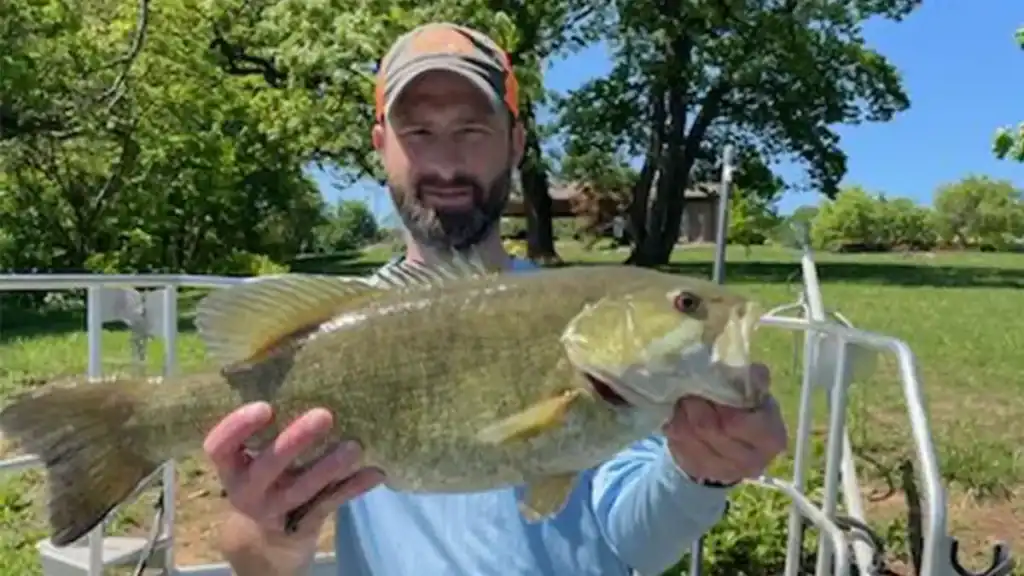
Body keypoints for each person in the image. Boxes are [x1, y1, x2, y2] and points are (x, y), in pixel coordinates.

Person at [203, 22, 789, 576]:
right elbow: (248, 551)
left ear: (515, 143)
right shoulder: (343, 323)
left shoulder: (605, 359)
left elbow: (635, 538)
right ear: (381, 145)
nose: (446, 161)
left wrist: (700, 474)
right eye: (419, 132)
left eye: (471, 130)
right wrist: (273, 535)